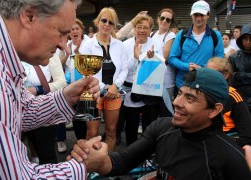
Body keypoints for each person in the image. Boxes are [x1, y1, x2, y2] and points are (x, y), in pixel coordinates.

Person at [0, 0, 100, 179]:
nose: (63, 45)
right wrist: (83, 166)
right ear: (29, 16)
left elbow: (19, 110)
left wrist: (65, 98)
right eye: (61, 33)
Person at [69, 68, 251, 179]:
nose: (176, 102)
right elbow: (126, 160)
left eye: (190, 98)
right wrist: (99, 162)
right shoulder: (162, 127)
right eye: (179, 93)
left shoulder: (231, 159)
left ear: (215, 110)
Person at [79, 7, 128, 152]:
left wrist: (115, 85)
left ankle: (108, 165)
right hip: (90, 92)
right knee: (92, 133)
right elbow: (86, 71)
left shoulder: (119, 45)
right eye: (104, 20)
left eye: (111, 22)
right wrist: (104, 87)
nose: (107, 24)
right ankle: (88, 166)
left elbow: (125, 68)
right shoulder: (87, 45)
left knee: (111, 131)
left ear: (114, 26)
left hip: (114, 92)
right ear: (97, 22)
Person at [168, 0, 224, 94]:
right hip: (183, 85)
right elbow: (172, 58)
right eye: (195, 15)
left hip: (205, 86)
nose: (198, 18)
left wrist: (201, 68)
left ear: (208, 15)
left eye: (201, 15)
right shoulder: (182, 35)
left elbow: (220, 61)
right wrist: (186, 66)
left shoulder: (216, 36)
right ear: (191, 15)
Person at [22, 53, 67, 162]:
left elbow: (62, 83)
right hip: (20, 108)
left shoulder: (49, 51)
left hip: (43, 108)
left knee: (46, 152)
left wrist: (36, 89)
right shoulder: (16, 51)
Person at [122, 13, 157, 145]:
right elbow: (123, 70)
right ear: (134, 28)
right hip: (130, 89)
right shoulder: (125, 45)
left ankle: (147, 155)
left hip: (149, 90)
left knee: (149, 127)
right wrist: (136, 57)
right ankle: (131, 154)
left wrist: (151, 60)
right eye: (139, 26)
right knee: (131, 125)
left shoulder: (155, 44)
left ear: (150, 29)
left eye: (146, 27)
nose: (142, 30)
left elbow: (160, 69)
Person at [206, 57, 251, 147]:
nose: (208, 76)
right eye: (207, 72)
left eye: (213, 72)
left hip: (225, 141)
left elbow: (247, 136)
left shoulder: (233, 97)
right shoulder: (203, 93)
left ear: (225, 75)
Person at [229, 23, 251, 113]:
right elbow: (231, 79)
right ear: (241, 40)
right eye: (245, 39)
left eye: (250, 39)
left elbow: (236, 76)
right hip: (239, 99)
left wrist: (239, 75)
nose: (248, 42)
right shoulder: (234, 57)